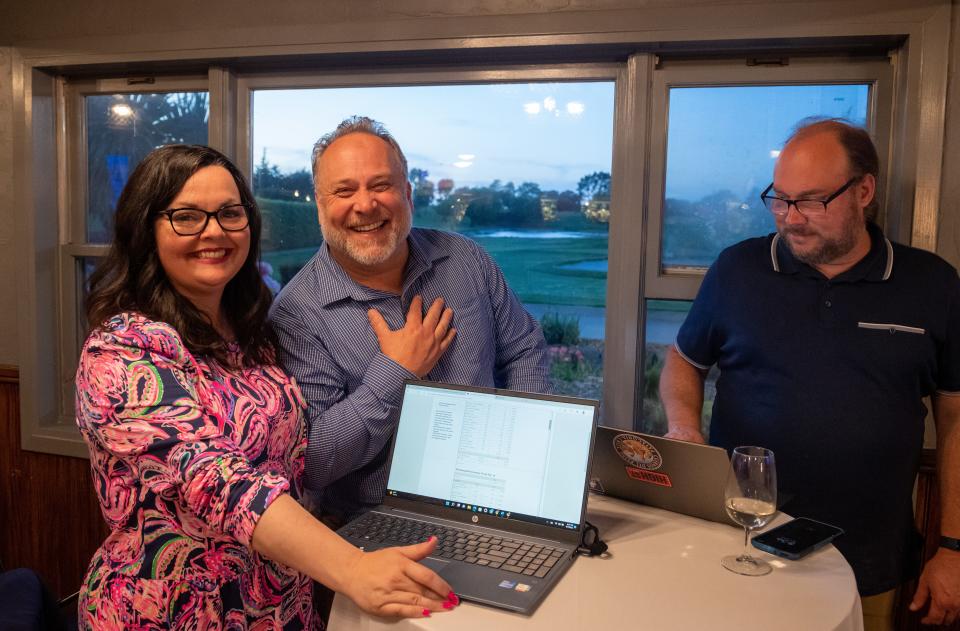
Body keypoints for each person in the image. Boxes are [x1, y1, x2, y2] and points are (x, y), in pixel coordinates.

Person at [75, 144, 459, 628]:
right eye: (187, 217)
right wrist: (353, 567)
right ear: (146, 230)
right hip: (168, 610)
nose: (214, 231)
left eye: (230, 213)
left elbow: (297, 457)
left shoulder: (252, 333)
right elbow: (220, 482)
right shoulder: (122, 349)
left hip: (278, 604)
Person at [659, 118, 960, 629]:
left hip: (869, 559)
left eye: (812, 201)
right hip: (740, 546)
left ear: (865, 190)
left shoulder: (932, 284)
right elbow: (683, 362)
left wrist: (952, 547)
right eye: (780, 198)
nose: (791, 218)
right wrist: (684, 429)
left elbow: (955, 419)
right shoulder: (738, 270)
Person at [269, 116, 550, 525]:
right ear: (320, 204)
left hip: (496, 504)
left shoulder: (465, 260)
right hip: (378, 526)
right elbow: (315, 460)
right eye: (344, 190)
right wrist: (396, 371)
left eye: (380, 185)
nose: (365, 205)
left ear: (408, 194)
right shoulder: (296, 314)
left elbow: (523, 350)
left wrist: (523, 458)